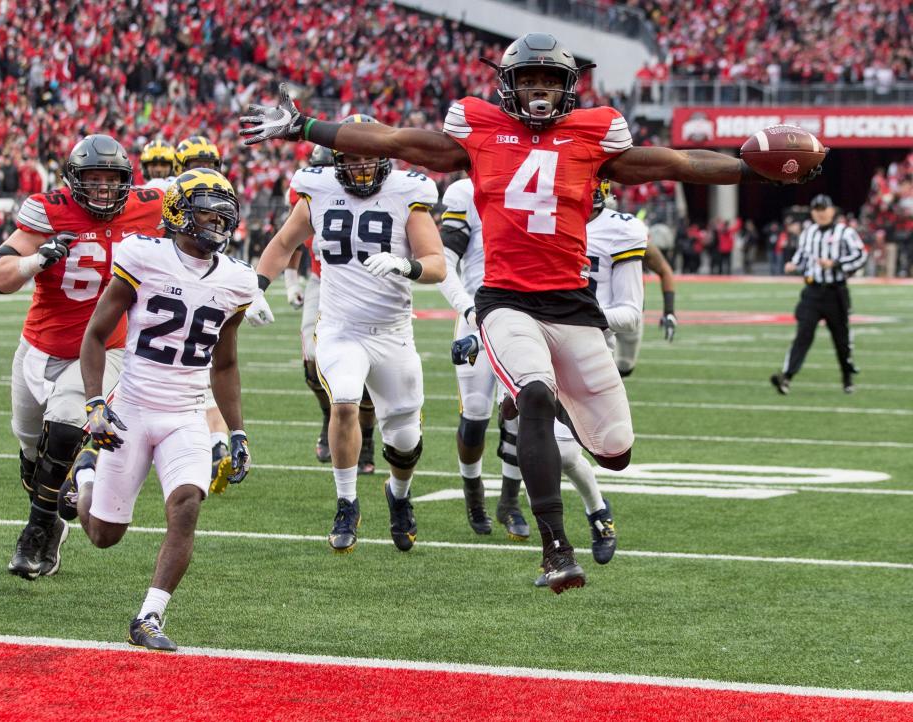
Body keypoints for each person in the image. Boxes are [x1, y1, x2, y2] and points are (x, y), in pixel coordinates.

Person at [240, 32, 821, 593]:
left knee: (616, 452)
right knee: (534, 396)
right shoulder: (478, 131)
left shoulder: (593, 136)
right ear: (508, 85)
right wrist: (303, 126)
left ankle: (578, 480)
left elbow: (675, 161)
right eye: (529, 78)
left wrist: (752, 169)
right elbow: (391, 142)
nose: (539, 89)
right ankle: (556, 550)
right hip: (506, 299)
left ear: (569, 86)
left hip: (572, 304)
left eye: (550, 79)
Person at [58, 168, 255, 651]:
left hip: (186, 412)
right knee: (104, 534)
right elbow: (96, 336)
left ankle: (149, 616)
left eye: (223, 207)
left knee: (187, 503)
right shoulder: (143, 257)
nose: (219, 216)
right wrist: (95, 403)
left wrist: (237, 432)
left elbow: (224, 364)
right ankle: (84, 473)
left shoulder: (237, 279)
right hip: (133, 407)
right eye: (207, 206)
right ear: (178, 213)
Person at [252, 115, 445, 554]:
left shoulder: (407, 193)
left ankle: (398, 494)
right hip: (339, 328)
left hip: (392, 332)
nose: (360, 166)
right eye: (351, 157)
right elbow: (283, 244)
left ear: (385, 157)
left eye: (369, 156)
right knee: (343, 403)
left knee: (404, 436)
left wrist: (406, 265)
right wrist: (257, 289)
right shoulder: (318, 190)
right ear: (335, 159)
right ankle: (346, 503)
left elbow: (436, 262)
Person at [0, 134, 163, 581]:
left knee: (64, 429)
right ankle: (48, 519)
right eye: (93, 179)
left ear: (127, 181)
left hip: (104, 348)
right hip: (40, 348)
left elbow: (200, 195)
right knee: (30, 449)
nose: (103, 189)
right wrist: (33, 263)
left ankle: (37, 531)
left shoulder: (151, 205)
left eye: (111, 179)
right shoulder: (49, 210)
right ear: (74, 180)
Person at [533, 181, 645, 586]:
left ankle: (597, 510)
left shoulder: (620, 230)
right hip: (536, 342)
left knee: (582, 452)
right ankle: (563, 543)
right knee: (537, 449)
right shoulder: (537, 220)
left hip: (589, 349)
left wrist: (573, 315)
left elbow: (631, 314)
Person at [247, 144, 378, 474]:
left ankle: (367, 435)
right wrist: (291, 280)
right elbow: (291, 240)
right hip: (323, 282)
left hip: (372, 288)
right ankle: (327, 415)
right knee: (312, 363)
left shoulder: (378, 193)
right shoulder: (311, 196)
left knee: (372, 368)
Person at [437, 175, 529, 539]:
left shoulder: (533, 184)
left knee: (521, 416)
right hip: (477, 315)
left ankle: (510, 502)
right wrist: (468, 309)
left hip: (523, 316)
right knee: (475, 416)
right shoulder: (465, 192)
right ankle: (473, 493)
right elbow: (444, 262)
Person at [172, 134, 235, 492]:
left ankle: (216, 445)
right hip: (173, 293)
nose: (205, 172)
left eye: (210, 165)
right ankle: (215, 445)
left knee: (204, 371)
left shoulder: (219, 199)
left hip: (202, 291)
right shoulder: (168, 196)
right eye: (198, 164)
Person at [771, 194, 867, 395]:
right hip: (812, 292)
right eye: (817, 210)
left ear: (832, 211)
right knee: (803, 334)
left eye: (824, 209)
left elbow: (860, 255)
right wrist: (793, 265)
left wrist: (836, 263)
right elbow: (802, 257)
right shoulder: (808, 233)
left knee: (841, 338)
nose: (821, 213)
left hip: (835, 292)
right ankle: (786, 377)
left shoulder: (845, 232)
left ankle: (847, 376)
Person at [614, 239, 678, 377]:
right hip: (595, 309)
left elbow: (665, 270)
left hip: (630, 309)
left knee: (625, 367)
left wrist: (669, 311)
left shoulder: (633, 234)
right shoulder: (587, 228)